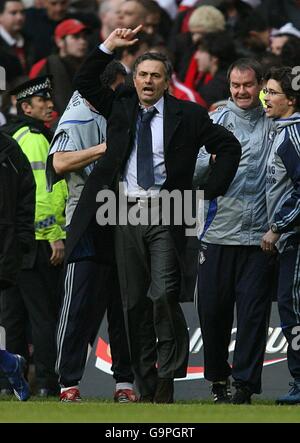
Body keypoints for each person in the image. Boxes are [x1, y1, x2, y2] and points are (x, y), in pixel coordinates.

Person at [66, 25, 241, 403]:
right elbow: (83, 79)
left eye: (155, 76)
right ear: (134, 78)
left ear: (167, 82)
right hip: (120, 212)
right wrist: (109, 45)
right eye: (142, 74)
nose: (147, 81)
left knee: (163, 294)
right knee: (132, 304)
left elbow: (228, 147)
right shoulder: (120, 105)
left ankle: (167, 371)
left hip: (167, 211)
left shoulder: (189, 114)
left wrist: (209, 191)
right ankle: (147, 383)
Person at [46, 61, 137, 403]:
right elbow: (58, 163)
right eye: (119, 87)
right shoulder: (77, 117)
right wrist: (103, 149)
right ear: (105, 87)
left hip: (122, 217)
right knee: (78, 303)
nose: (122, 93)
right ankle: (67, 381)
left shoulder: (119, 114)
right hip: (85, 221)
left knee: (123, 304)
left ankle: (124, 383)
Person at [194, 58, 275, 404]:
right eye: (235, 86)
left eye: (248, 85)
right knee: (212, 313)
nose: (242, 92)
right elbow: (192, 170)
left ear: (259, 86)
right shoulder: (213, 121)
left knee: (254, 315)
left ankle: (243, 384)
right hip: (217, 233)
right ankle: (217, 380)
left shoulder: (276, 122)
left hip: (261, 238)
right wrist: (212, 162)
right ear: (228, 86)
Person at [0, 76, 67, 397]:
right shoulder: (36, 138)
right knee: (42, 316)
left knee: (12, 316)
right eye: (42, 100)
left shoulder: (10, 135)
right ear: (26, 106)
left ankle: (10, 384)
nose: (50, 104)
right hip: (37, 239)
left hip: (10, 242)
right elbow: (42, 192)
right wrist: (54, 233)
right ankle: (47, 383)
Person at [262, 66, 300, 405]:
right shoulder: (281, 131)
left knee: (294, 309)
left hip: (297, 239)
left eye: (272, 92)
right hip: (292, 238)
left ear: (291, 99)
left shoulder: (293, 136)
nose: (266, 98)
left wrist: (277, 228)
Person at [0, 129, 35, 401]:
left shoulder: (9, 150)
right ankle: (10, 363)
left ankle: (10, 364)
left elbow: (26, 194)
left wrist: (22, 239)